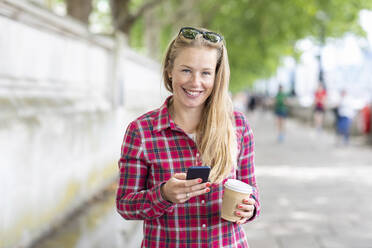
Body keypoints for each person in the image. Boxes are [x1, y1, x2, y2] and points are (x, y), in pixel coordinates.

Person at [116, 27, 260, 247]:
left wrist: (250, 209)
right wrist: (163, 195)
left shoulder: (237, 126)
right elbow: (125, 205)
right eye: (186, 70)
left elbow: (251, 190)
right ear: (169, 70)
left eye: (205, 73)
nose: (195, 82)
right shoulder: (142, 131)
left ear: (216, 75)